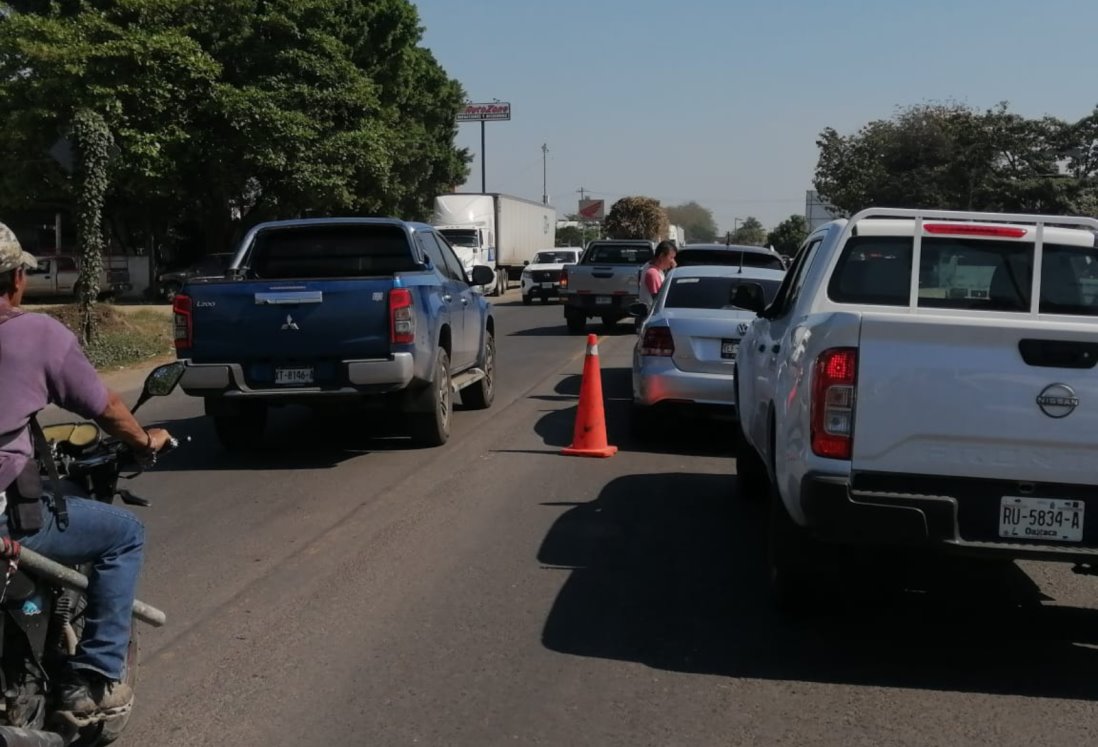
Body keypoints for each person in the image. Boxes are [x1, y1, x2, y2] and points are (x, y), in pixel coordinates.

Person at [0, 223, 172, 726]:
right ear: (16, 280)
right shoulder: (36, 335)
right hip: (6, 519)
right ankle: (94, 678)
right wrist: (143, 442)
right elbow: (107, 407)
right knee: (124, 536)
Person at [639, 240, 677, 308]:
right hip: (651, 314)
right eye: (671, 257)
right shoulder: (653, 273)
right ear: (662, 255)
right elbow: (659, 300)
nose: (673, 262)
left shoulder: (649, 266)